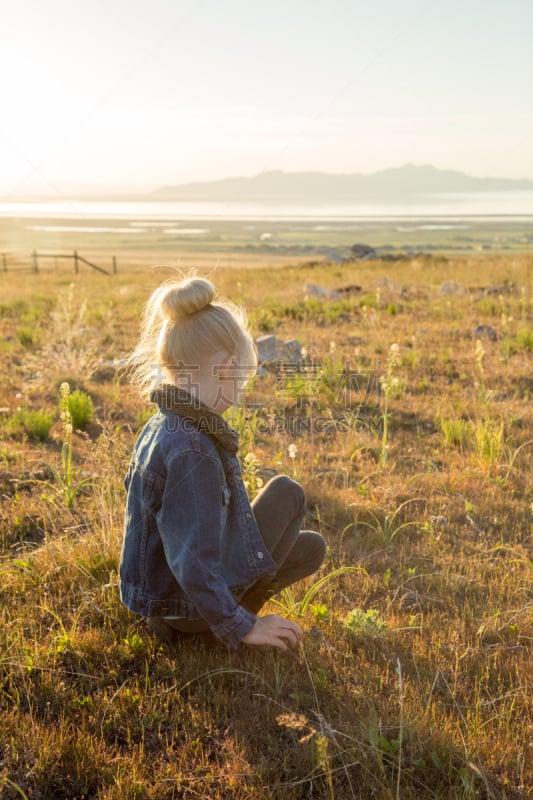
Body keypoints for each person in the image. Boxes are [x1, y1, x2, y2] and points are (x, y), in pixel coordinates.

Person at [119, 274, 326, 651]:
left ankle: (208, 621)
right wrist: (244, 626)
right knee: (287, 494)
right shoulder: (192, 450)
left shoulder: (162, 424)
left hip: (161, 597)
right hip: (184, 608)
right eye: (242, 380)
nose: (239, 393)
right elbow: (191, 561)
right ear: (228, 368)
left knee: (309, 548)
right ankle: (216, 631)